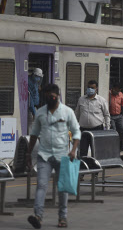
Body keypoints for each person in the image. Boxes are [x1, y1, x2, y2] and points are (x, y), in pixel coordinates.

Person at [26, 84, 81, 228]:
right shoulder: (40, 113)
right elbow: (34, 134)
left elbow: (76, 132)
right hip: (44, 155)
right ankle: (38, 216)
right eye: (47, 96)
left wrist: (73, 150)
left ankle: (62, 218)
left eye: (52, 96)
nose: (50, 98)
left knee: (62, 188)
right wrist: (28, 153)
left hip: (62, 155)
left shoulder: (67, 112)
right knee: (41, 185)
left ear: (57, 95)